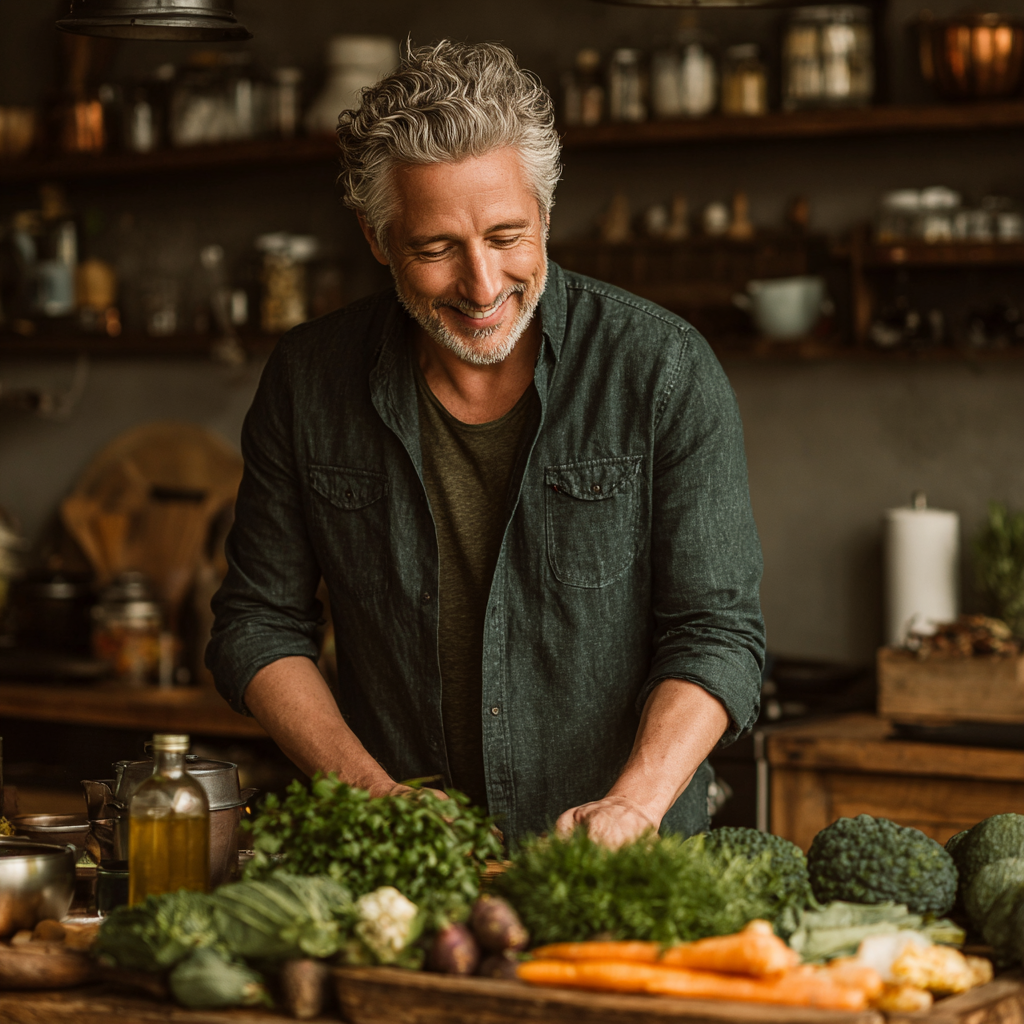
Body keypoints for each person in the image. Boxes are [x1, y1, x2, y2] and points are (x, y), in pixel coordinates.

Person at [207, 40, 765, 849]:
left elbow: (717, 635)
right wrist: (370, 797)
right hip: (395, 871)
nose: (481, 286)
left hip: (623, 876)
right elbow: (258, 623)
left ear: (545, 211)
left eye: (507, 235)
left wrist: (632, 808)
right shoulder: (307, 380)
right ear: (376, 237)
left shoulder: (662, 371)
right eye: (435, 249)